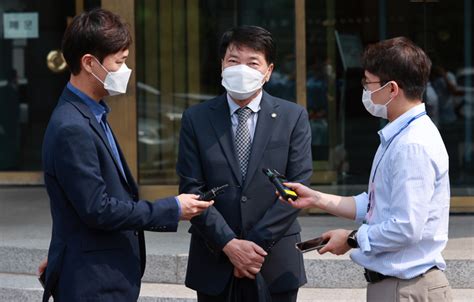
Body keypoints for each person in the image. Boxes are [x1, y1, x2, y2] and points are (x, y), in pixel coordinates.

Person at [38, 9, 212, 302]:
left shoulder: (91, 114)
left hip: (101, 273)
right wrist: (171, 208)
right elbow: (97, 208)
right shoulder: (72, 126)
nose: (125, 70)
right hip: (93, 281)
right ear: (90, 63)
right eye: (119, 62)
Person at [282, 37, 453, 302]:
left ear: (392, 88)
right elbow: (375, 203)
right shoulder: (400, 135)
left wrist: (352, 239)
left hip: (405, 287)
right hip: (396, 285)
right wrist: (316, 198)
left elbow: (406, 227)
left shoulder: (412, 144)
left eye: (368, 83)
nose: (364, 90)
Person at [177, 26, 312, 302]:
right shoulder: (196, 118)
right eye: (233, 61)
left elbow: (296, 188)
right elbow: (193, 188)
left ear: (268, 71)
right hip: (214, 258)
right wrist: (228, 244)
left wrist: (252, 248)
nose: (242, 69)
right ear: (222, 65)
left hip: (274, 262)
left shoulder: (293, 117)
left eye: (252, 63)